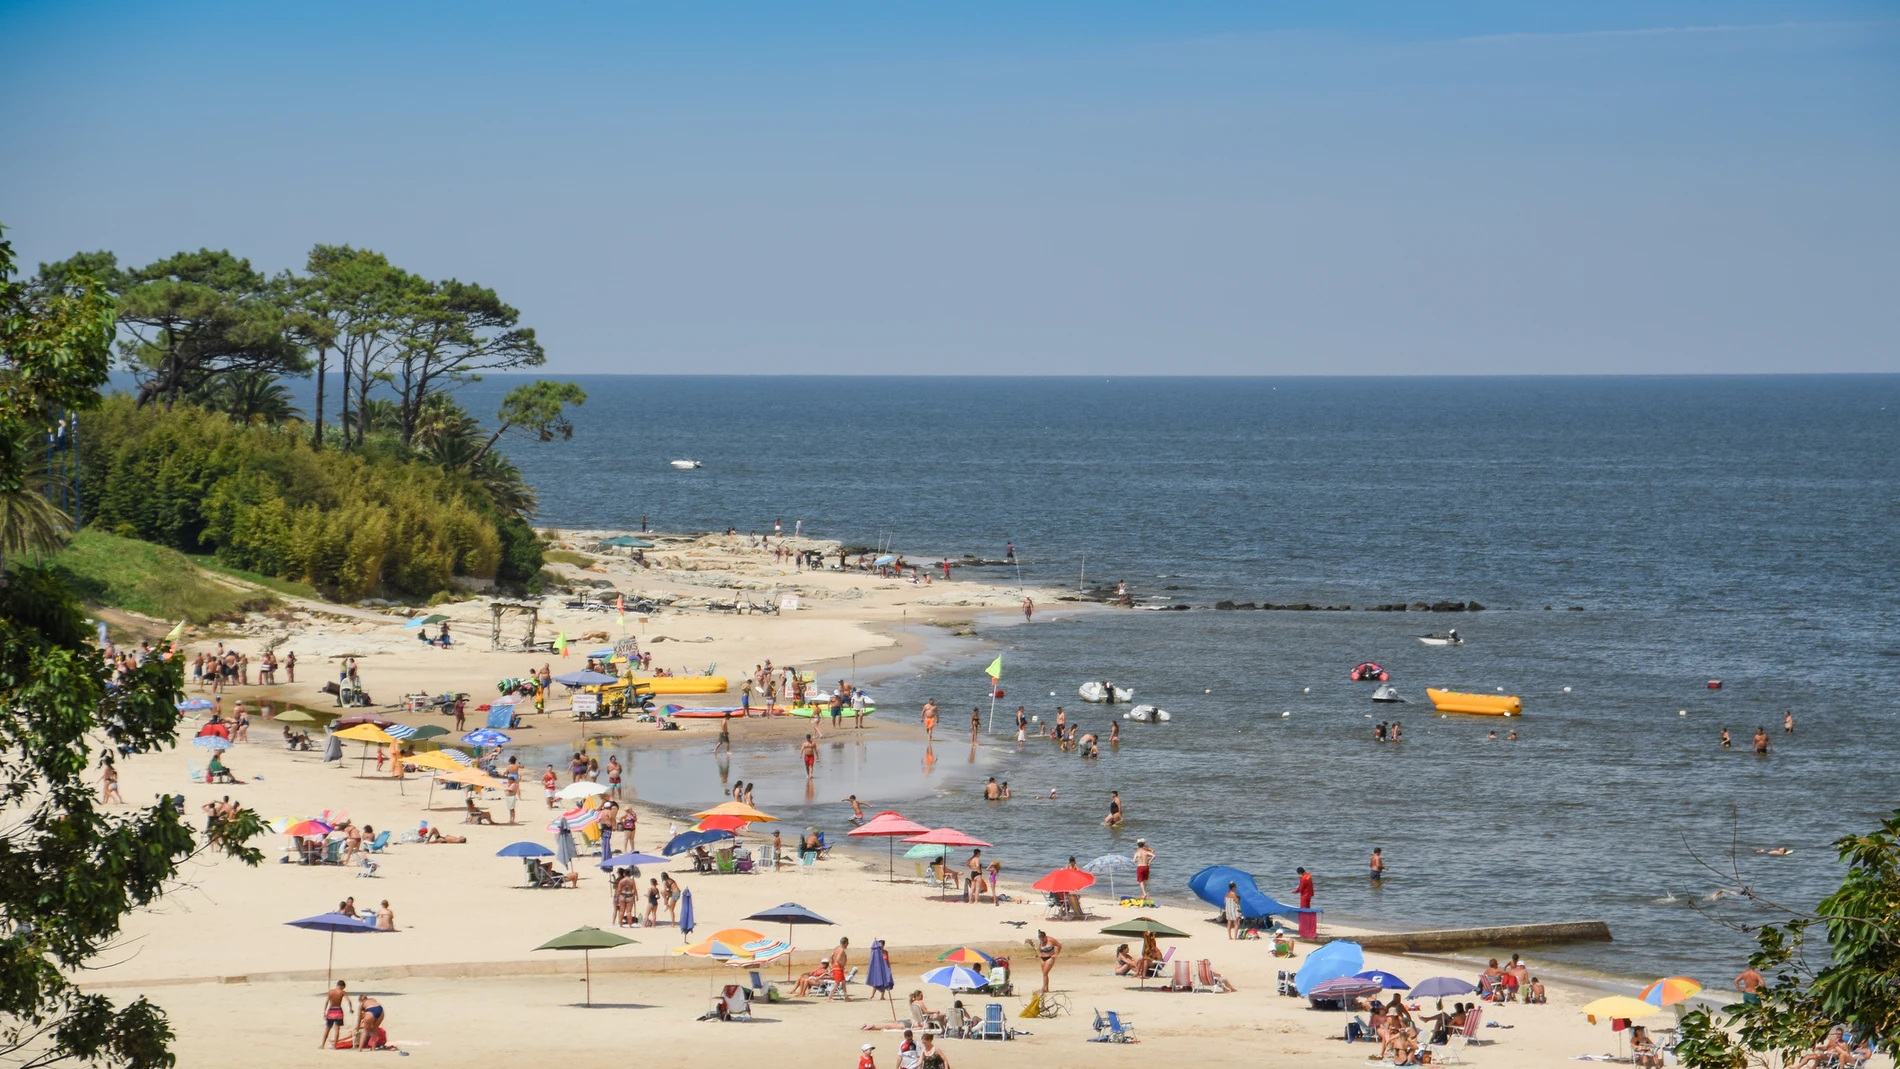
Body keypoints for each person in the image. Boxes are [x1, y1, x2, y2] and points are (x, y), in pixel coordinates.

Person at [321, 980, 352, 1048]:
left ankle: (322, 1045)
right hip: (338, 1010)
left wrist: (324, 1011)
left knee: (327, 1028)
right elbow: (349, 1001)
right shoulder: (342, 992)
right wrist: (350, 1009)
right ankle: (335, 1046)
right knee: (337, 1029)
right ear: (342, 986)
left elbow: (327, 1002)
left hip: (331, 1010)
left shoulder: (330, 992)